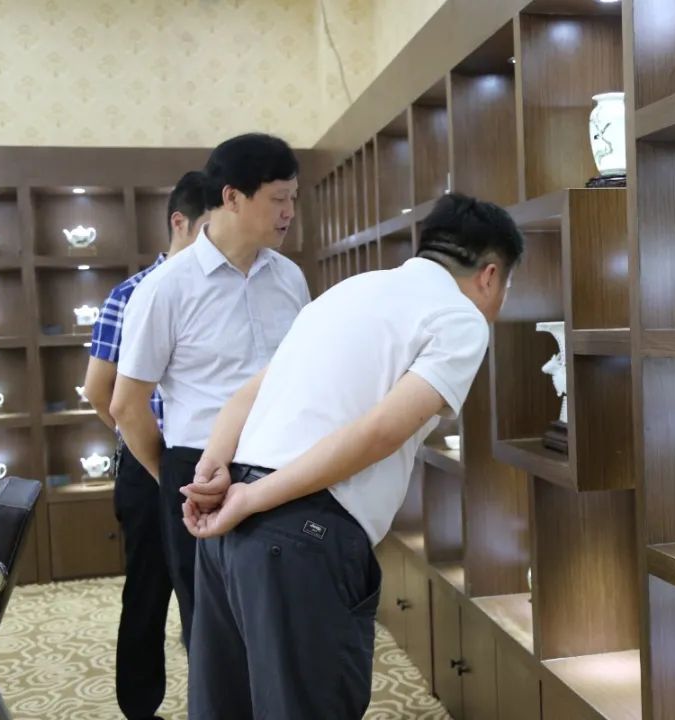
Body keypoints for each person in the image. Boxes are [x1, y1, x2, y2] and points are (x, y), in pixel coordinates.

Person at [179, 192, 524, 720]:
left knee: (227, 707)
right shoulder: (462, 318)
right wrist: (252, 498)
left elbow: (247, 395)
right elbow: (380, 431)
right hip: (297, 533)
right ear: (490, 275)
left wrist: (215, 468)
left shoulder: (347, 291)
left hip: (229, 529)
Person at [110, 133, 311, 653]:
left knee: (285, 627)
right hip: (199, 473)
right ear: (232, 197)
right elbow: (126, 405)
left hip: (284, 467)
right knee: (214, 636)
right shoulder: (166, 288)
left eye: (293, 198)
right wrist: (173, 479)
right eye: (278, 198)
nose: (289, 212)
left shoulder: (290, 278)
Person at [83, 170, 207, 720]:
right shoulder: (132, 292)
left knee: (209, 596)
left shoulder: (219, 290)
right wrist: (155, 461)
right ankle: (139, 708)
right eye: (208, 229)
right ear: (180, 223)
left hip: (210, 464)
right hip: (148, 460)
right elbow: (99, 391)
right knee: (148, 591)